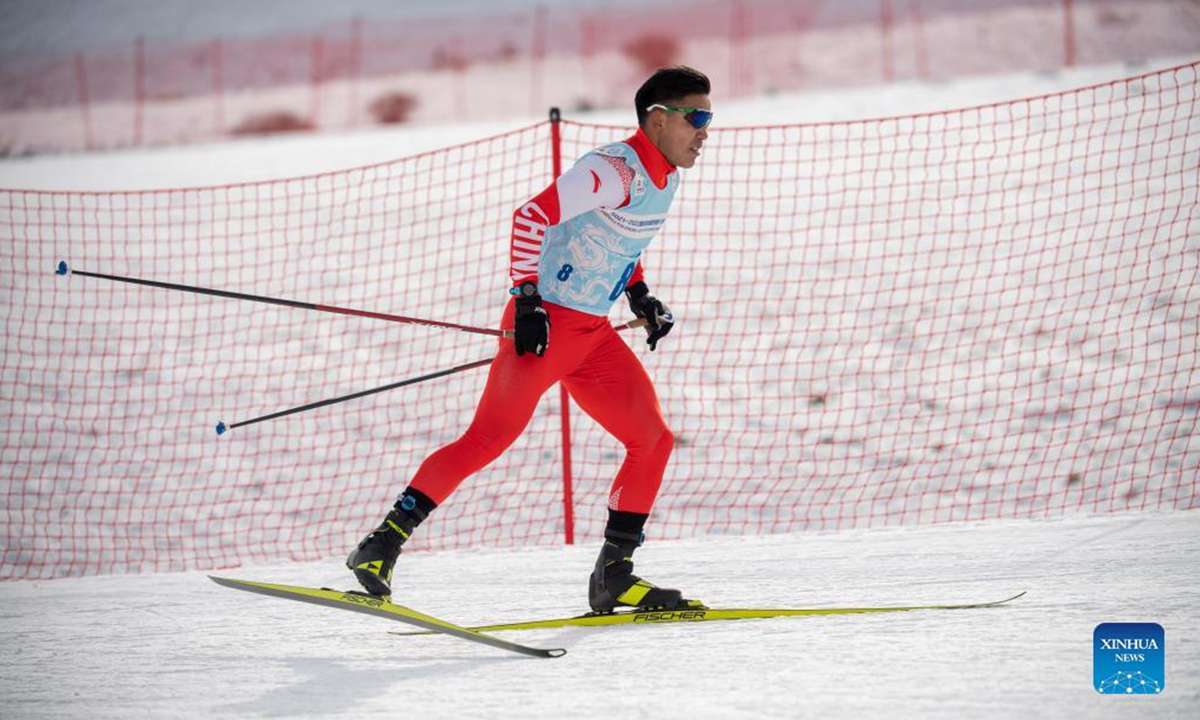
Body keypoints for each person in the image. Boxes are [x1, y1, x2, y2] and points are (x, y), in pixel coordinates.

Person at [347, 66, 713, 613]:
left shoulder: (667, 178)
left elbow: (621, 241)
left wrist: (639, 295)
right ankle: (380, 546)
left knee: (652, 440)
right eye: (696, 118)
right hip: (547, 326)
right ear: (658, 120)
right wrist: (525, 299)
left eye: (709, 119)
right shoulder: (612, 169)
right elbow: (531, 216)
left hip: (592, 335)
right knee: (487, 440)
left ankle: (614, 575)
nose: (704, 132)